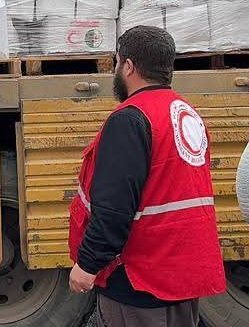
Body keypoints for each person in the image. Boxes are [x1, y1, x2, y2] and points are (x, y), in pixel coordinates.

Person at [68, 26, 226, 326]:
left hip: (139, 278)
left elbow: (114, 207)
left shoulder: (130, 119)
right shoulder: (186, 113)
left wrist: (87, 264)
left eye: (117, 62)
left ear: (128, 66)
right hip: (181, 275)